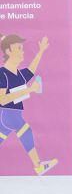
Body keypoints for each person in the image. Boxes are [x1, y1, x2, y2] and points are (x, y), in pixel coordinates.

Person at [0, 34, 56, 175]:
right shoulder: (3, 74)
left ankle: (38, 166)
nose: (22, 51)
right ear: (8, 51)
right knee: (26, 131)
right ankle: (38, 166)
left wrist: (41, 51)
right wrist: (29, 89)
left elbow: (31, 70)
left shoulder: (18, 73)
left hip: (10, 116)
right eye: (19, 48)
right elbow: (2, 100)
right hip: (8, 114)